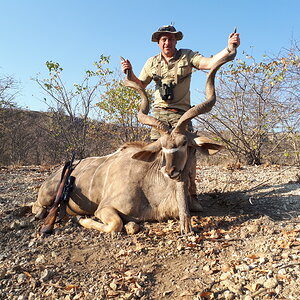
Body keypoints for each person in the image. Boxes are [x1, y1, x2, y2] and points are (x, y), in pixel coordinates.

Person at [121, 25, 240, 208]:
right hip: (159, 117)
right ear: (159, 42)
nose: (167, 42)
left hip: (182, 116)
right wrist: (129, 72)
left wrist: (229, 48)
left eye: (170, 39)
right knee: (158, 156)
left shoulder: (187, 56)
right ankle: (161, 198)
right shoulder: (151, 62)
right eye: (163, 39)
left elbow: (209, 63)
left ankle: (191, 196)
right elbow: (141, 84)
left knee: (188, 155)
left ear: (176, 41)